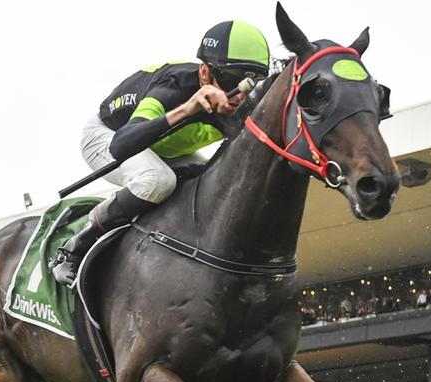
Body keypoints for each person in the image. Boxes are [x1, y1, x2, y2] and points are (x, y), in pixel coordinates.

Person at [52, 20, 270, 285]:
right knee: (157, 180)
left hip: (163, 148)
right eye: (229, 79)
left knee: (209, 183)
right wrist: (187, 109)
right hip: (108, 135)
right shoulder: (175, 86)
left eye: (251, 82)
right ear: (204, 73)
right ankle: (73, 248)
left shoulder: (243, 103)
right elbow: (121, 146)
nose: (239, 94)